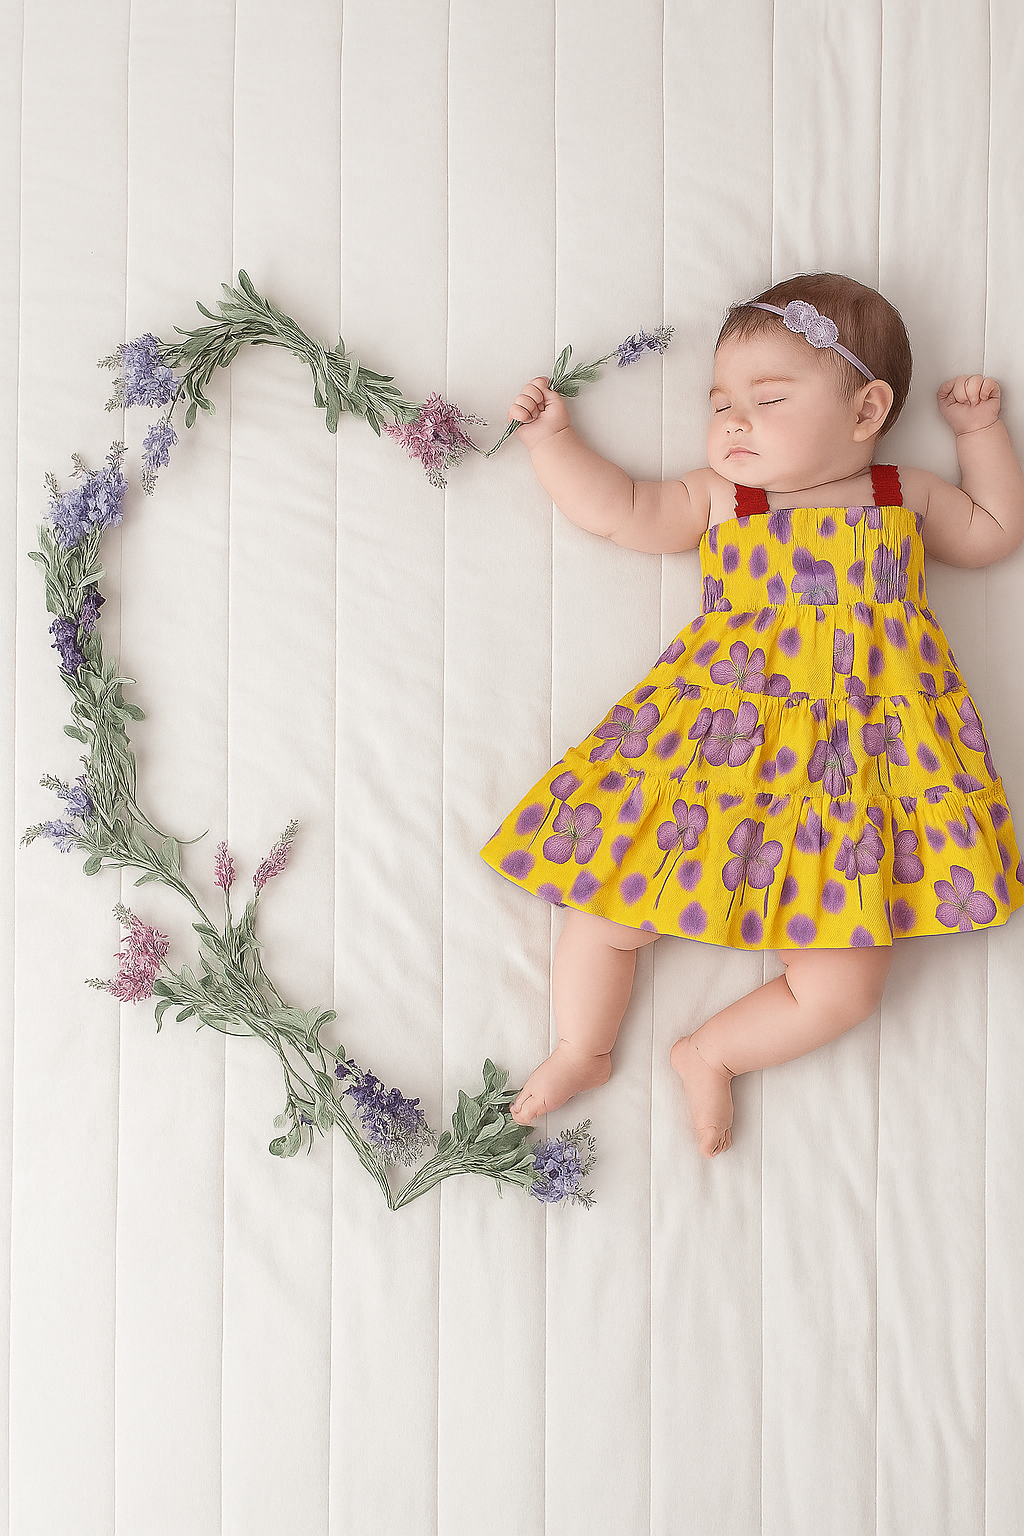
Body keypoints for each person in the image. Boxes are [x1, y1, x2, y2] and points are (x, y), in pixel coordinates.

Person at [479, 272, 1024, 1158]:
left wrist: (980, 434)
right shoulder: (724, 499)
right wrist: (554, 442)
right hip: (718, 759)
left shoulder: (903, 495)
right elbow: (620, 512)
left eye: (767, 400)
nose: (733, 422)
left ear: (867, 411)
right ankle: (583, 1046)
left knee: (846, 988)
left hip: (859, 781)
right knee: (605, 911)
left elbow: (995, 529)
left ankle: (714, 1052)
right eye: (721, 403)